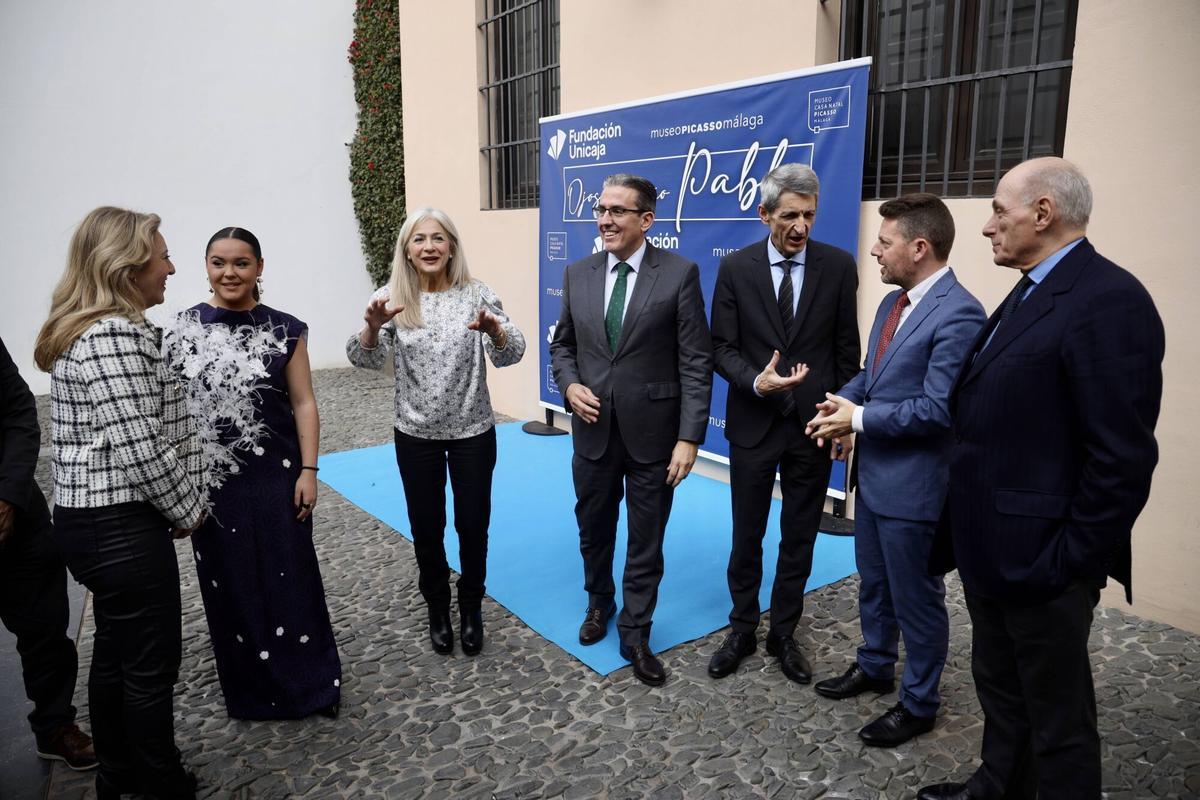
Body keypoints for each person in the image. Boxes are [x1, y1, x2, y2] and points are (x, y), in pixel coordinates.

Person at [917, 158, 1165, 800]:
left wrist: (1069, 561)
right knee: (1001, 687)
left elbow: (1121, 457)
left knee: (1058, 718)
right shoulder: (1030, 288)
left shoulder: (1108, 300)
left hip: (1043, 562)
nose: (987, 226)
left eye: (999, 210)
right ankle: (998, 783)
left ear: (1044, 213)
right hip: (992, 551)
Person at [33, 206, 204, 799]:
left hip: (97, 525)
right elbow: (139, 440)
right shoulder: (111, 333)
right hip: (119, 525)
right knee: (150, 668)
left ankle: (120, 775)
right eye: (162, 256)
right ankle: (158, 783)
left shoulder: (98, 329)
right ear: (127, 266)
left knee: (114, 656)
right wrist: (190, 510)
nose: (171, 267)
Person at [804, 194, 985, 747]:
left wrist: (857, 419)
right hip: (875, 480)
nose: (875, 252)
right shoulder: (894, 303)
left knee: (918, 601)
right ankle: (876, 666)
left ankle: (919, 702)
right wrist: (840, 405)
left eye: (884, 243)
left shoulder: (961, 313)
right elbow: (872, 375)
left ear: (919, 247)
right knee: (875, 589)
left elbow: (936, 409)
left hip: (916, 490)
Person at [167, 227, 341, 720]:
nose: (229, 273)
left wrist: (309, 469)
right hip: (215, 481)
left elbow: (304, 403)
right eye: (219, 262)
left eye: (241, 263)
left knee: (293, 576)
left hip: (278, 474)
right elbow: (172, 407)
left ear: (259, 268)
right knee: (231, 582)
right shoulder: (184, 328)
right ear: (206, 267)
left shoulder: (286, 330)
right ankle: (251, 693)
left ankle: (313, 687)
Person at [549, 173, 713, 687]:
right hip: (593, 432)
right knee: (593, 530)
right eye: (601, 209)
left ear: (646, 220)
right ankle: (600, 604)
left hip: (655, 436)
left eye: (618, 211)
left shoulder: (680, 274)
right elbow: (563, 346)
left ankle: (636, 631)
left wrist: (689, 438)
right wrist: (570, 387)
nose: (605, 219)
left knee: (647, 538)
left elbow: (695, 361)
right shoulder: (577, 273)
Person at [706, 163, 859, 684]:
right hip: (754, 423)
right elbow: (720, 347)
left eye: (809, 215)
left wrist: (842, 422)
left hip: (813, 428)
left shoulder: (838, 267)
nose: (801, 226)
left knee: (800, 536)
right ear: (764, 213)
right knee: (746, 534)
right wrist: (755, 382)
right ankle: (743, 627)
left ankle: (784, 633)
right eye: (789, 215)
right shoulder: (736, 269)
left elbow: (846, 355)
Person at [348, 207, 525, 657]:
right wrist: (372, 328)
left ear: (451, 248)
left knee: (472, 524)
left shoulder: (477, 294)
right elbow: (364, 362)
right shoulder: (391, 297)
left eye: (438, 238)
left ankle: (471, 606)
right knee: (427, 526)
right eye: (419, 239)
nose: (429, 246)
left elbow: (512, 354)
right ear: (406, 249)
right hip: (415, 434)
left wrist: (495, 333)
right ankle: (437, 607)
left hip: (472, 432)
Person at [0, 336, 97, 771]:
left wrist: (7, 497)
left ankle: (55, 725)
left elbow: (19, 413)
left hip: (17, 514)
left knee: (47, 631)